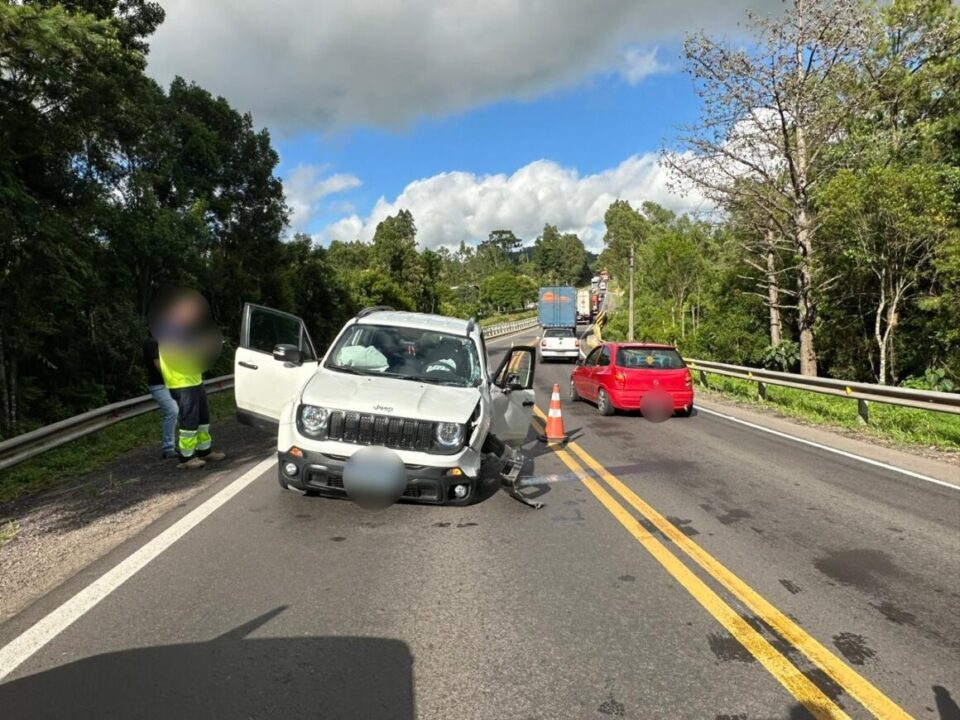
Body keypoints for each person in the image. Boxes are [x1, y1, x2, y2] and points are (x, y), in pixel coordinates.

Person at [151, 288, 226, 470]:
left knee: (202, 419)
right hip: (182, 382)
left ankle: (204, 451)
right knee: (189, 421)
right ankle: (186, 458)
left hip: (193, 380)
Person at [143, 334, 178, 459]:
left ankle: (177, 446)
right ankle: (168, 448)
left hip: (172, 383)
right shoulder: (152, 343)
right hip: (159, 385)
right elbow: (159, 366)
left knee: (180, 412)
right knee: (172, 411)